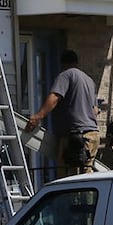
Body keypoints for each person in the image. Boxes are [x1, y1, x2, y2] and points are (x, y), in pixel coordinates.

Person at [25, 50, 99, 178]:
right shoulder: (89, 80)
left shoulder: (66, 75)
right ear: (77, 62)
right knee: (87, 176)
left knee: (68, 178)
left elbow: (54, 97)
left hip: (77, 137)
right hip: (92, 135)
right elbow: (95, 110)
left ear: (62, 64)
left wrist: (38, 116)